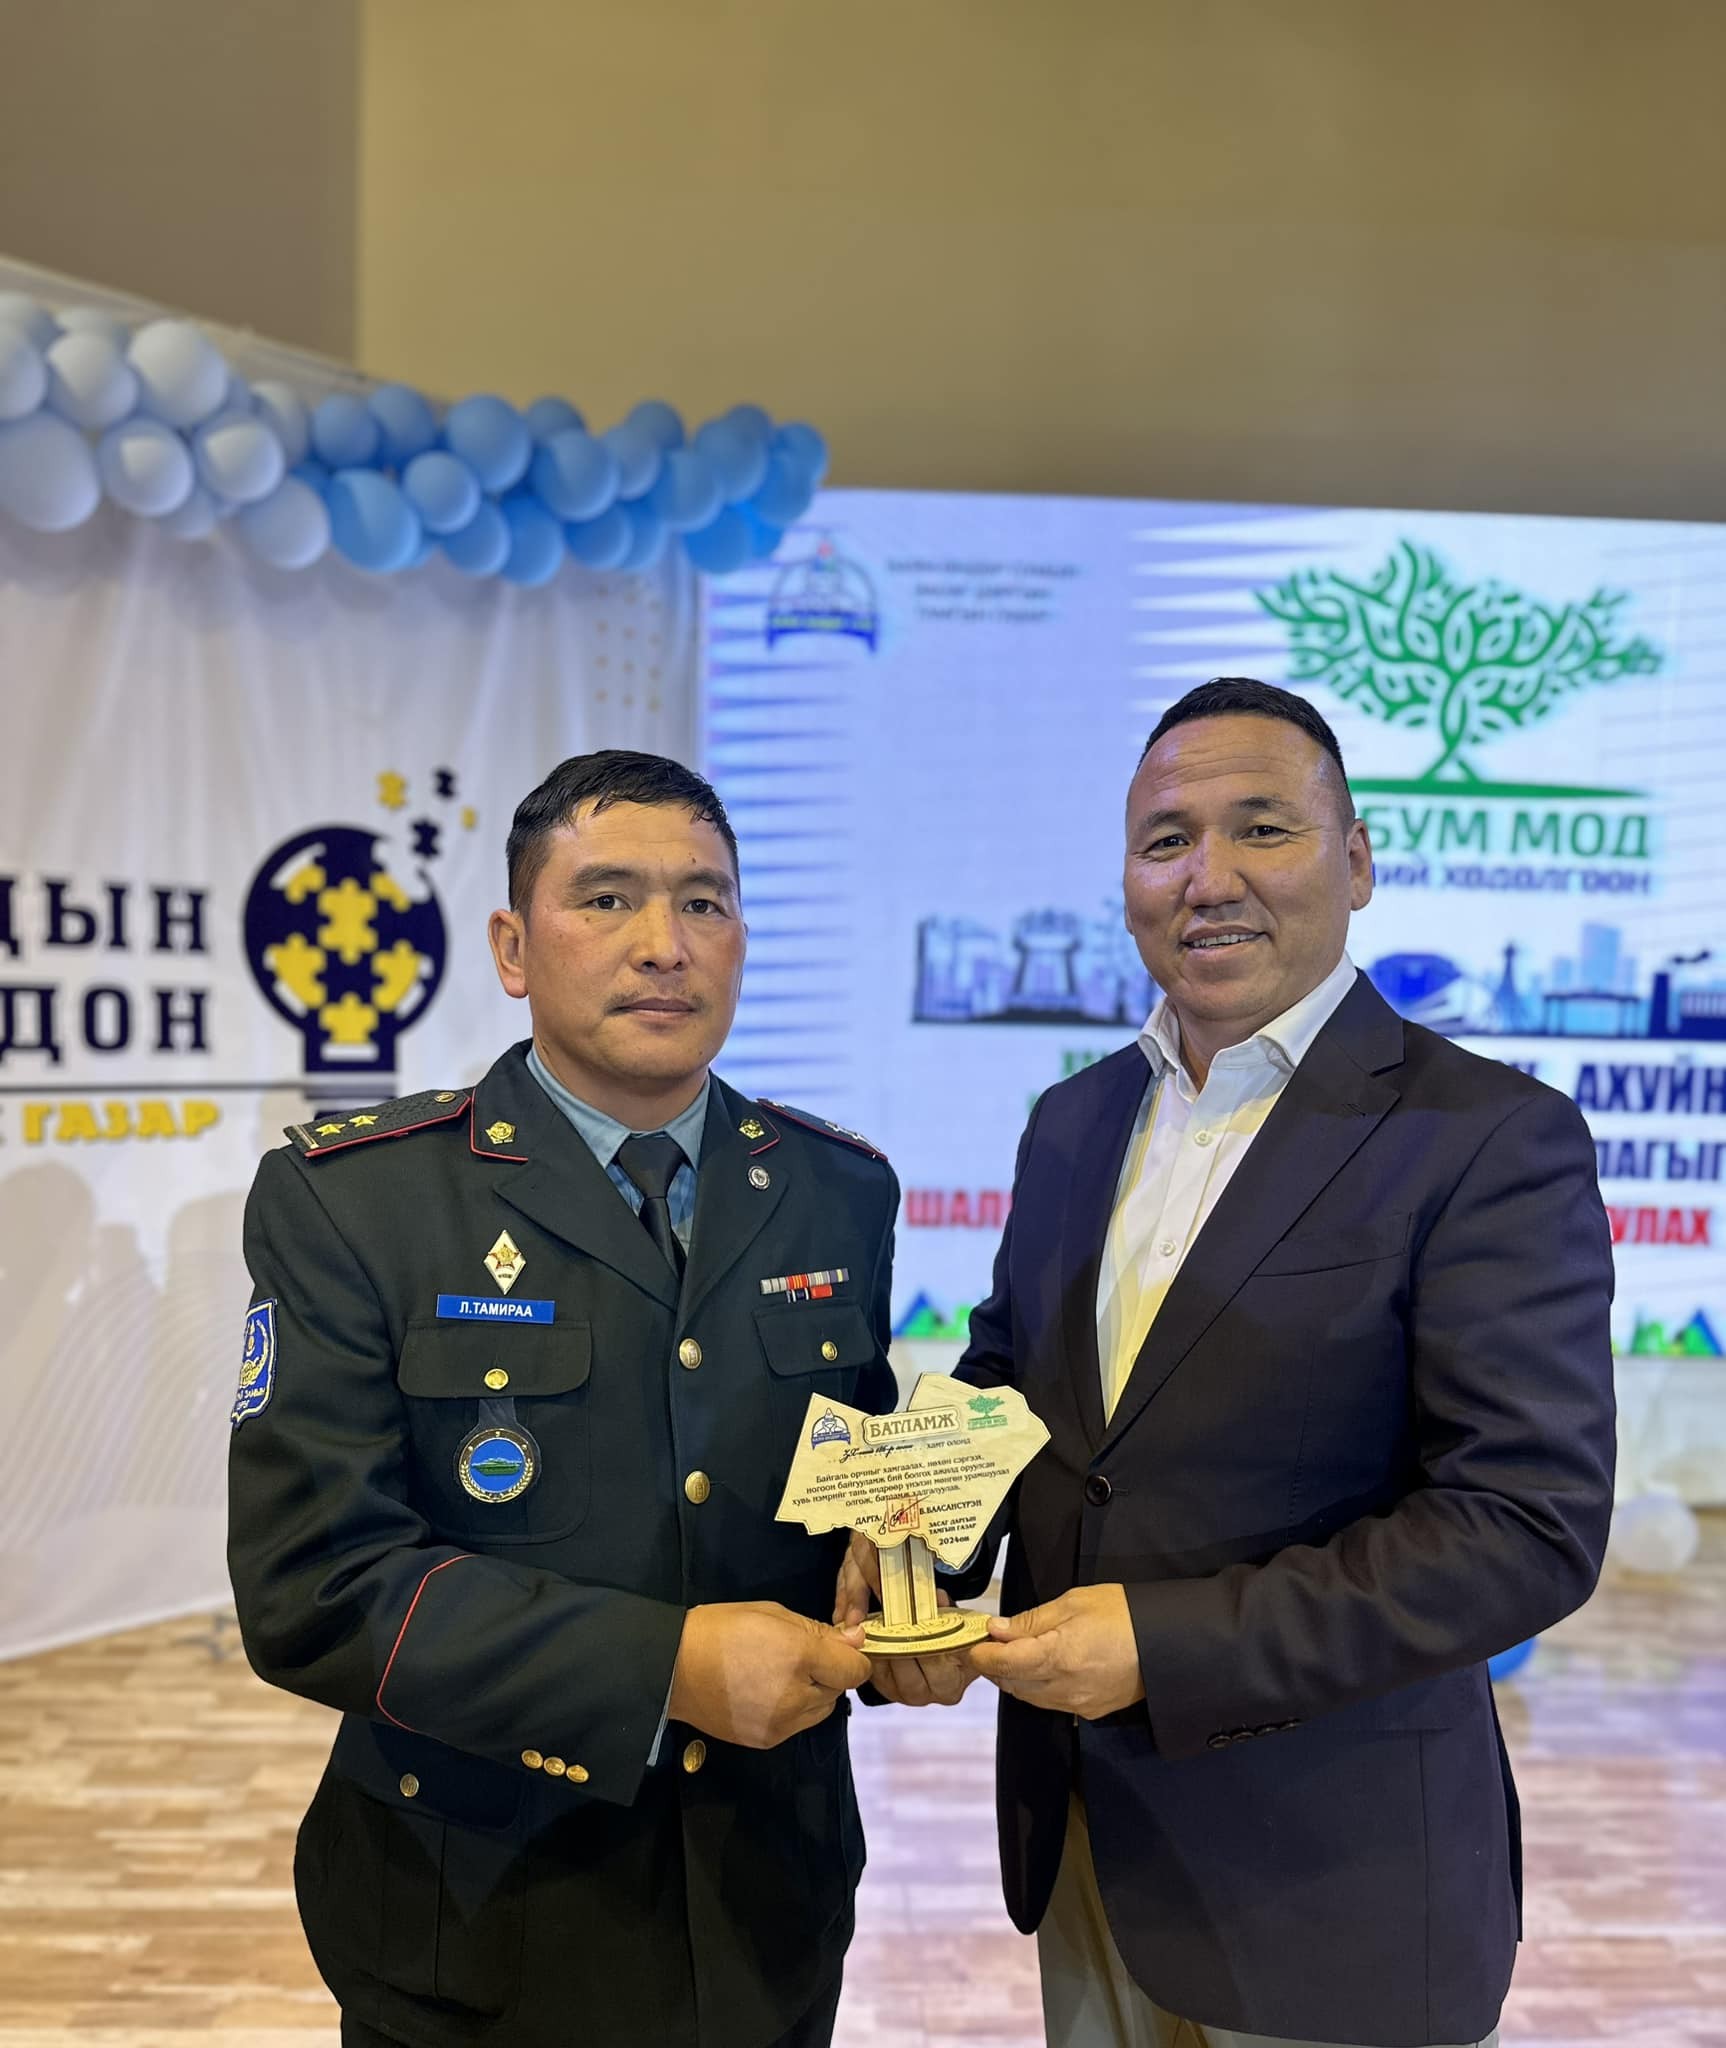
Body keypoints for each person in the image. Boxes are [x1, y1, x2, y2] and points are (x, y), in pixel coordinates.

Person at [846, 678, 1615, 2048]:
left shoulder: (1487, 1137)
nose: (1207, 877)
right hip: (1086, 1847)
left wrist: (1164, 1645)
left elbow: (1522, 1529)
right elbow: (1015, 1379)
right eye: (1166, 841)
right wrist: (916, 1540)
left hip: (1334, 1892)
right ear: (1127, 882)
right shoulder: (1073, 1119)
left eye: (1262, 828)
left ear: (1355, 860)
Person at [229, 750, 898, 2048]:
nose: (663, 945)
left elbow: (851, 1476)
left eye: (703, 902)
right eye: (605, 899)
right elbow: (313, 1585)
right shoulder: (356, 1200)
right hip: (480, 1912)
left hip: (769, 1901)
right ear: (511, 947)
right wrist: (663, 1671)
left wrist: (906, 1568)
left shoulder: (837, 1190)